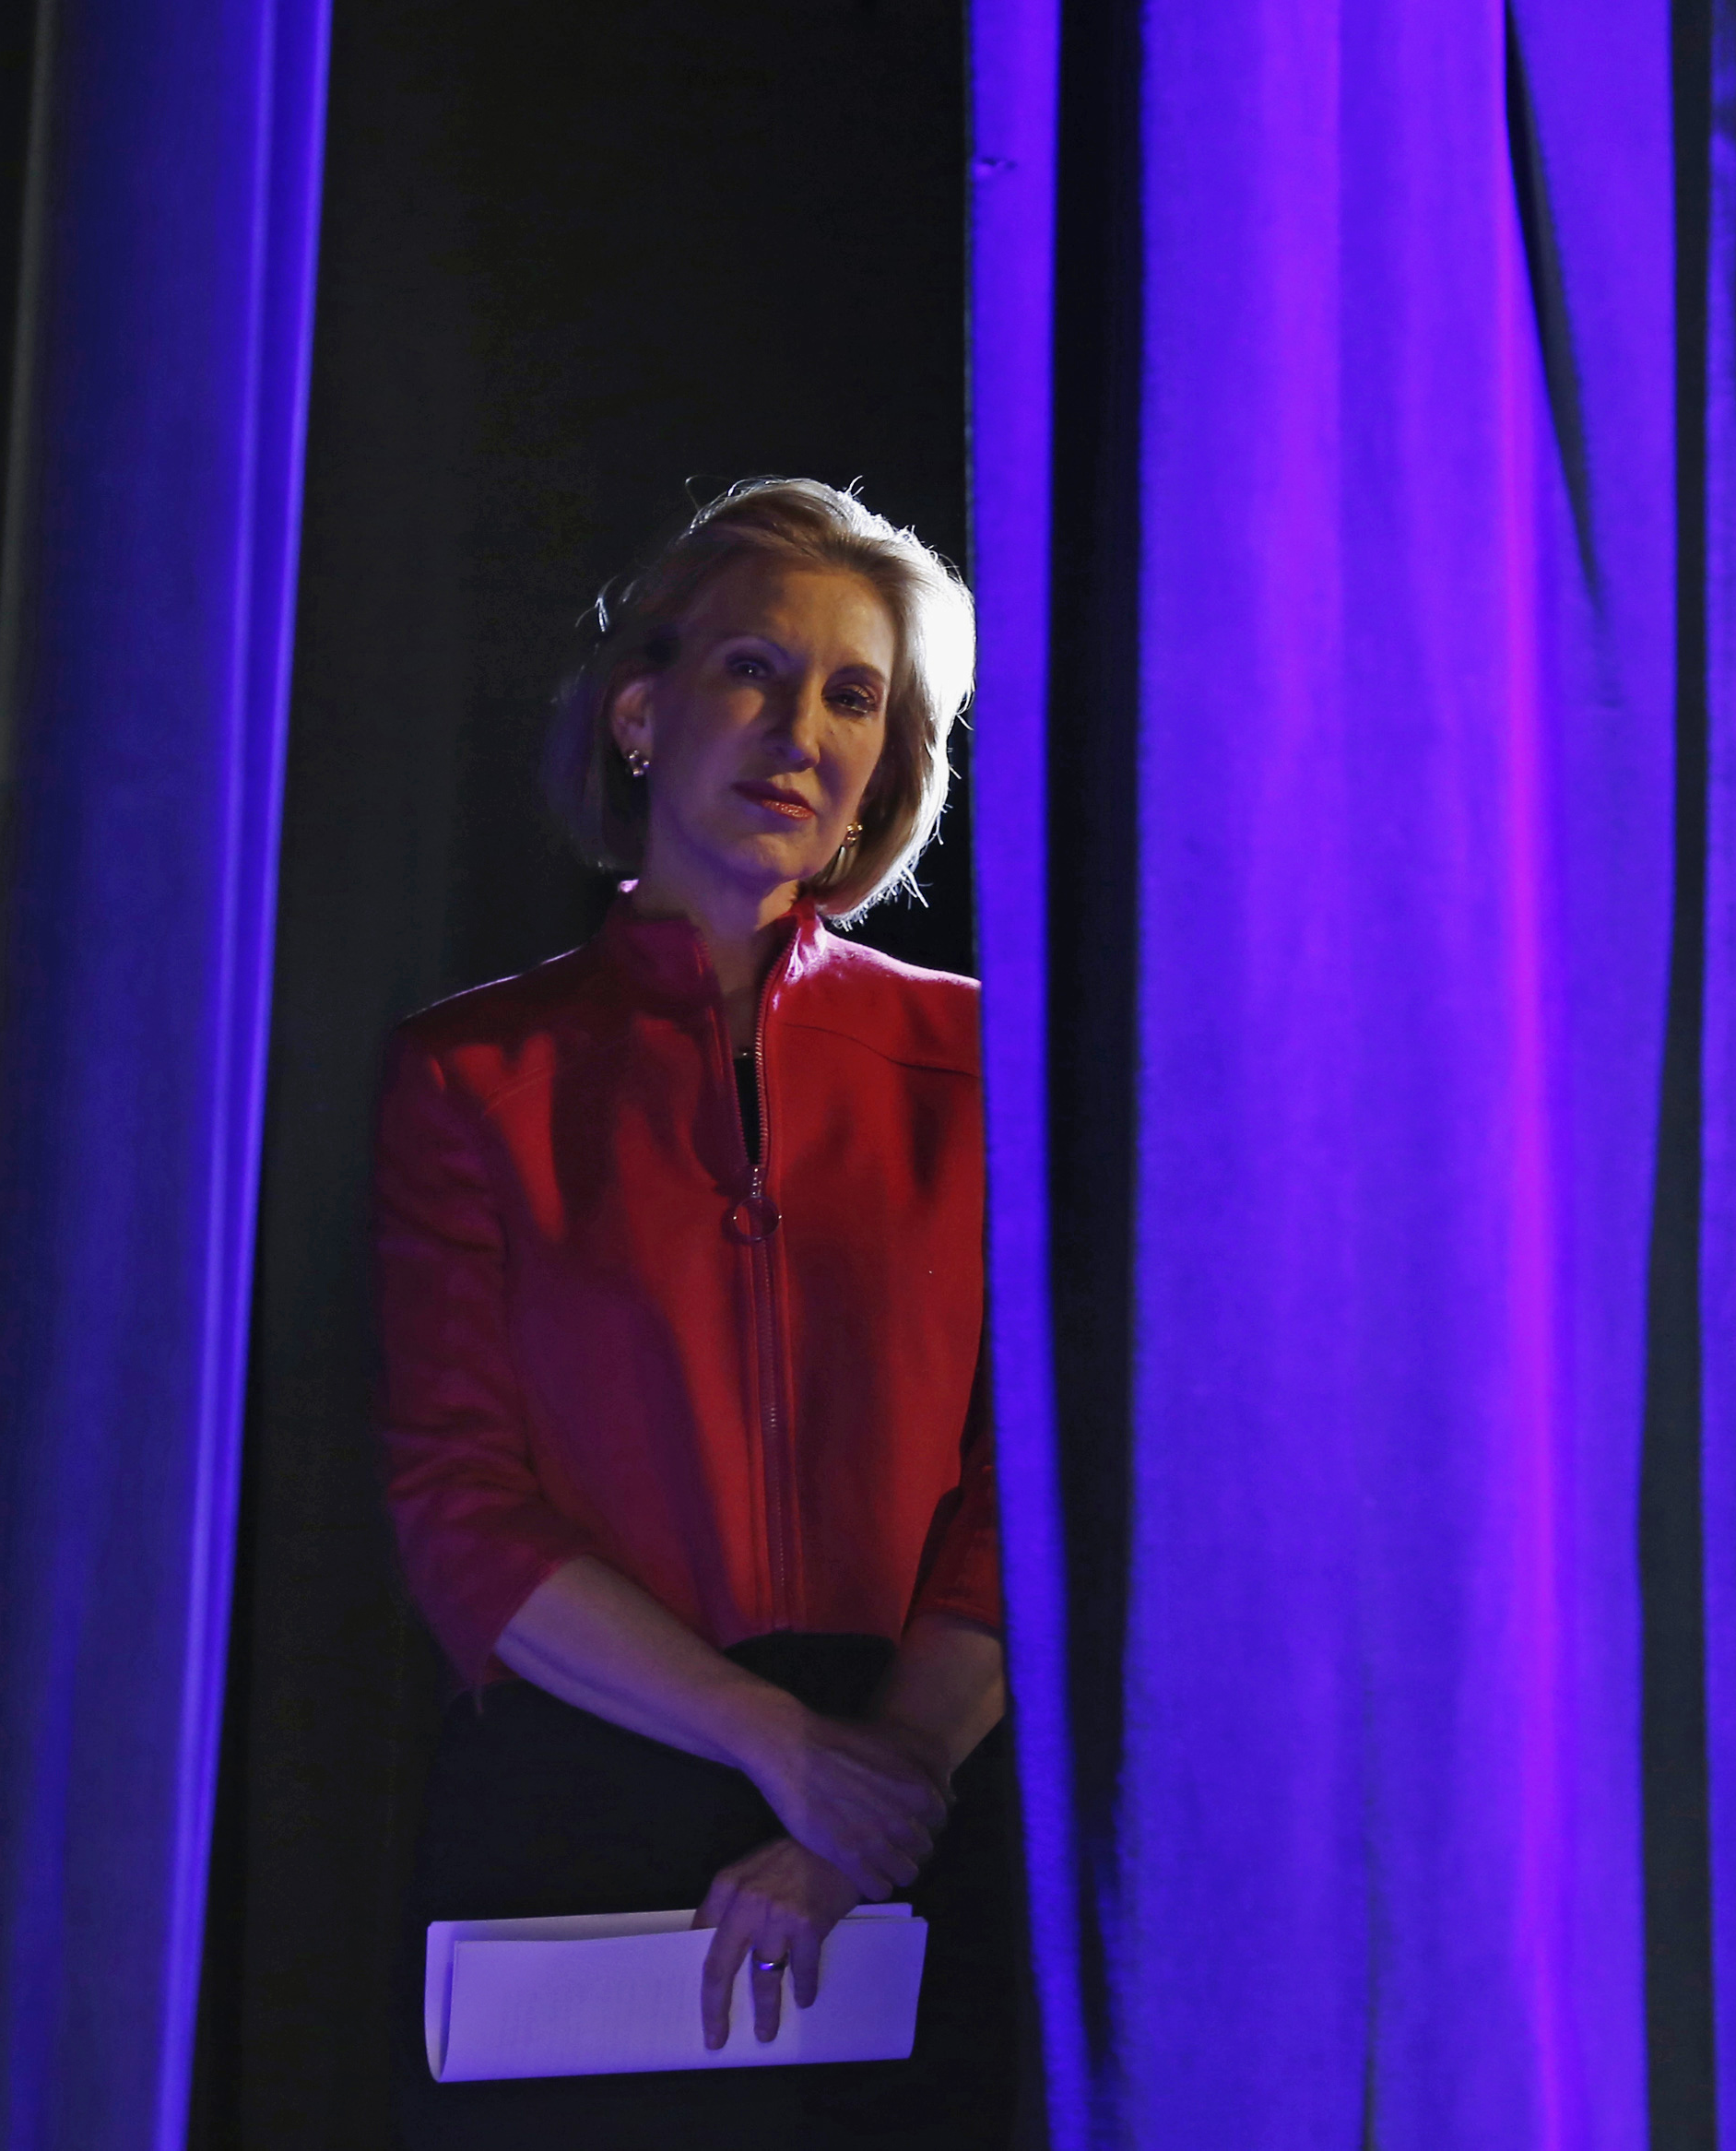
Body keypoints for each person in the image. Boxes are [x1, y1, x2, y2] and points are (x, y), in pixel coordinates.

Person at [376, 479, 1011, 2147]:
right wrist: (779, 1746)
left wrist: (879, 1782)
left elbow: (1035, 1485)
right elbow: (457, 1506)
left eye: (854, 696)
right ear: (641, 712)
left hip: (919, 1802)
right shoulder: (471, 1074)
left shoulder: (983, 1066)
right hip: (584, 1801)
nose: (801, 733)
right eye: (753, 669)